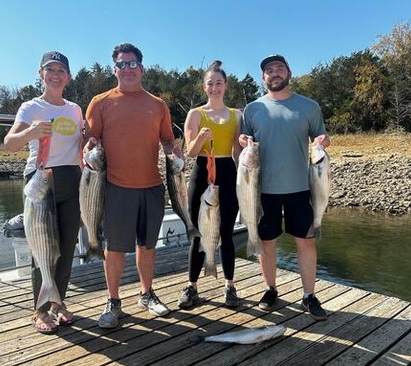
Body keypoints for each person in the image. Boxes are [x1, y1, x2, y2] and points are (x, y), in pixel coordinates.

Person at [84, 43, 183, 329]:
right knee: (114, 248)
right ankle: (113, 301)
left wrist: (173, 151)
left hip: (152, 186)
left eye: (132, 63)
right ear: (114, 69)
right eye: (121, 64)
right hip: (114, 187)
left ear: (141, 68)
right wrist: (88, 146)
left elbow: (167, 140)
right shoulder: (100, 102)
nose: (127, 69)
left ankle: (146, 294)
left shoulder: (158, 104)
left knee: (147, 245)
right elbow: (90, 140)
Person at [239, 54, 331, 320]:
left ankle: (308, 295)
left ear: (289, 73)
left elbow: (320, 138)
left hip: (301, 188)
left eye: (280, 68)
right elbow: (246, 141)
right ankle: (270, 289)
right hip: (262, 189)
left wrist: (323, 140)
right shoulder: (253, 109)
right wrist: (243, 139)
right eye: (269, 70)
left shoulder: (309, 106)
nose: (274, 73)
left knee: (306, 241)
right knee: (266, 242)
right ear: (263, 78)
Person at [4, 51, 83, 333]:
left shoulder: (75, 109)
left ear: (68, 76)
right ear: (41, 74)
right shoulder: (30, 107)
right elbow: (10, 142)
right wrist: (29, 133)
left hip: (71, 178)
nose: (56, 74)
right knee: (42, 248)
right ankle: (39, 311)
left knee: (66, 246)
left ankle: (57, 303)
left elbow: (80, 143)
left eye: (61, 70)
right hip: (39, 179)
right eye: (50, 69)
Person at [177, 60, 242, 309]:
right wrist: (202, 138)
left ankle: (230, 286)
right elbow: (190, 152)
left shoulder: (237, 115)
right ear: (204, 87)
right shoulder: (196, 114)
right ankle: (192, 286)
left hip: (228, 173)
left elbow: (237, 150)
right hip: (202, 172)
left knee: (226, 232)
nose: (214, 87)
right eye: (210, 83)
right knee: (198, 233)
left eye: (219, 83)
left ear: (225, 85)